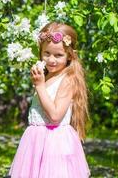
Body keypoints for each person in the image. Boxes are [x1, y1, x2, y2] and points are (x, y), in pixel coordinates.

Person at [8, 22, 90, 177]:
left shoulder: (68, 79)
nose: (51, 60)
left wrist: (39, 86)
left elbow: (55, 116)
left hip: (54, 143)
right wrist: (41, 82)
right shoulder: (48, 75)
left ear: (69, 56)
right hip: (35, 142)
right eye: (46, 53)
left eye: (58, 55)